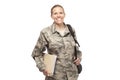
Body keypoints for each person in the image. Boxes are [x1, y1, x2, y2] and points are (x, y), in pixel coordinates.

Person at [31, 4, 82, 80]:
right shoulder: (46, 32)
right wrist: (43, 68)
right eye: (55, 13)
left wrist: (79, 57)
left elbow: (76, 48)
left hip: (72, 75)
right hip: (55, 76)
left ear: (64, 14)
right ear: (51, 16)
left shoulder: (71, 29)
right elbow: (36, 53)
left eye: (61, 13)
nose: (58, 15)